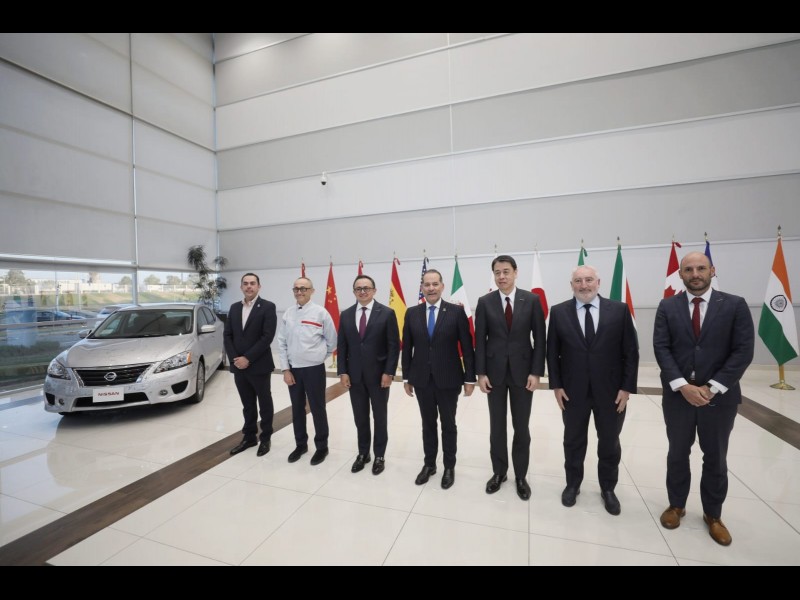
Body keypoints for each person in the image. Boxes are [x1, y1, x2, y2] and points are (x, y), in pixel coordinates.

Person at [654, 251, 754, 546]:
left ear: (712, 270)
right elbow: (662, 348)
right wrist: (682, 386)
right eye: (688, 269)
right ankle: (676, 505)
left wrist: (713, 387)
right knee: (677, 453)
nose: (695, 274)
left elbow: (743, 351)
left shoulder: (734, 305)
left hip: (719, 398)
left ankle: (713, 514)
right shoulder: (667, 306)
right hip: (678, 397)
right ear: (681, 275)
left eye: (701, 268)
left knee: (716, 457)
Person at [546, 265, 639, 515]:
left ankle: (608, 488)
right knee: (573, 441)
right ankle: (572, 484)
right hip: (572, 392)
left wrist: (626, 388)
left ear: (598, 282)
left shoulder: (619, 310)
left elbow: (631, 352)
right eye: (578, 281)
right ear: (571, 285)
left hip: (611, 393)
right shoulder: (558, 312)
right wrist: (556, 386)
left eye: (589, 280)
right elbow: (552, 352)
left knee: (609, 442)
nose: (584, 285)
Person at [475, 255, 546, 500]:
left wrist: (536, 372)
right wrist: (481, 373)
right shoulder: (485, 302)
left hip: (523, 374)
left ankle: (521, 476)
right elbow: (480, 341)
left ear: (515, 272)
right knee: (497, 426)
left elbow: (540, 339)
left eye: (506, 271)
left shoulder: (532, 300)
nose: (502, 276)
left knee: (521, 427)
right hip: (493, 374)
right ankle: (499, 472)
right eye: (497, 272)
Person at [402, 269, 476, 489]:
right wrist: (406, 377)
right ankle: (429, 465)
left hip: (449, 379)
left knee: (448, 424)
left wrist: (469, 379)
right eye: (427, 284)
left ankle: (449, 466)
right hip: (421, 379)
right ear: (422, 288)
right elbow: (407, 348)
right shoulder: (412, 313)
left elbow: (467, 348)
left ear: (442, 286)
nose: (431, 288)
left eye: (435, 284)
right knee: (427, 424)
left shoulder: (456, 312)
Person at [337, 274, 400, 475]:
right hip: (354, 377)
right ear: (354, 291)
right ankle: (363, 453)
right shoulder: (346, 315)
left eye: (366, 288)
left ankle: (379, 455)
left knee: (380, 417)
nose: (362, 291)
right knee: (360, 417)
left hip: (379, 376)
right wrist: (342, 371)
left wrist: (389, 372)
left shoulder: (387, 313)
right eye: (358, 288)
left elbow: (393, 346)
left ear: (374, 290)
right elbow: (342, 346)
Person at [277, 277, 338, 466]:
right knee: (297, 409)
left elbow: (332, 341)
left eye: (304, 288)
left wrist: (318, 357)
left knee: (318, 408)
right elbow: (282, 342)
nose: (299, 291)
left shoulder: (321, 313)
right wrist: (285, 369)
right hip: (293, 369)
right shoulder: (288, 314)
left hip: (314, 369)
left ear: (312, 291)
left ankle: (322, 447)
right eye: (296, 288)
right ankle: (300, 444)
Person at [224, 273, 278, 457]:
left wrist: (248, 358)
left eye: (252, 283)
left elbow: (267, 337)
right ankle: (249, 437)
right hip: (238, 366)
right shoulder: (234, 308)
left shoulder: (268, 307)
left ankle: (266, 437)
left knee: (264, 402)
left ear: (259, 287)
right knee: (247, 404)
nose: (249, 286)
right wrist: (235, 359)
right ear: (241, 287)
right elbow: (227, 335)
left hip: (259, 365)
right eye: (245, 284)